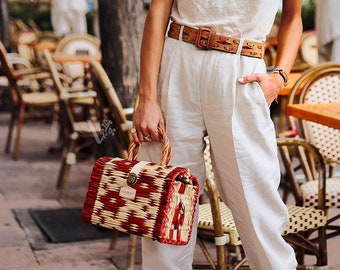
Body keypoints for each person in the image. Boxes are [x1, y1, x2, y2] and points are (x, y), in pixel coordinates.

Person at [131, 0, 303, 269]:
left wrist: (279, 76)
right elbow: (158, 10)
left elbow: (293, 17)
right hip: (178, 58)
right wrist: (147, 96)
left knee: (258, 205)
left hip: (242, 69)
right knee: (167, 204)